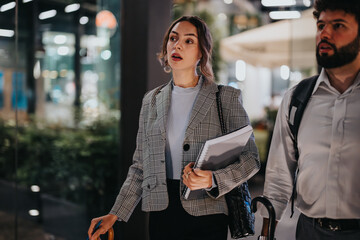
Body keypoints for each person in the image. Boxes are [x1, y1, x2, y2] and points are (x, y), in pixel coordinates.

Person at [87, 16, 260, 240]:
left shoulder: (224, 97)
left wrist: (213, 179)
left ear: (201, 53)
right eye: (173, 38)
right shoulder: (152, 100)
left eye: (189, 41)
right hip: (162, 214)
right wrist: (115, 213)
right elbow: (140, 167)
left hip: (208, 214)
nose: (177, 45)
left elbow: (251, 159)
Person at [259, 0, 360, 239]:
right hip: (309, 231)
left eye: (338, 25)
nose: (325, 33)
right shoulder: (297, 98)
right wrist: (266, 234)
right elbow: (278, 177)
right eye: (321, 25)